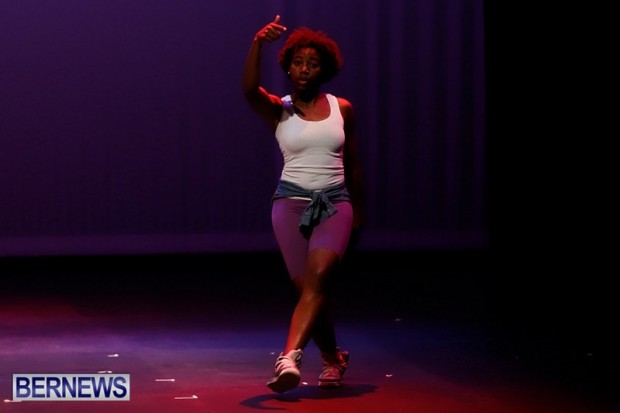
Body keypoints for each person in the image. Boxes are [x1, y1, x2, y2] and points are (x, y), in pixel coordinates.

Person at [241, 15, 365, 393]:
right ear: (288, 68)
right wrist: (257, 43)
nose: (304, 69)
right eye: (298, 62)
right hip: (289, 205)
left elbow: (352, 163)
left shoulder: (342, 108)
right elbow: (249, 89)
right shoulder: (279, 109)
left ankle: (288, 357)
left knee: (319, 278)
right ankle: (332, 358)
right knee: (309, 290)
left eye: (312, 63)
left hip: (335, 204)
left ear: (324, 69)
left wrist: (359, 212)